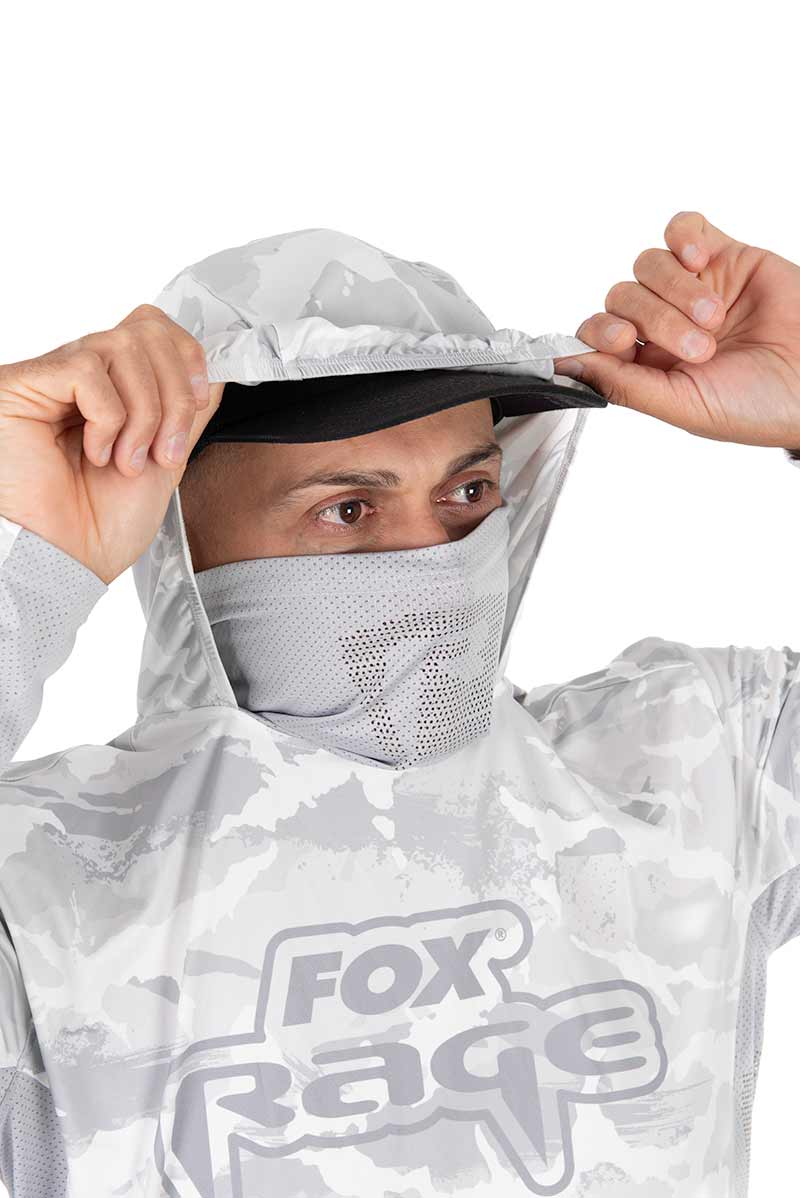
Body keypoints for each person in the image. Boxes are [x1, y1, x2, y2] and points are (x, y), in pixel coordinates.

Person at [0, 213, 797, 1198]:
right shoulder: (46, 887)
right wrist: (26, 561)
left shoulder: (686, 764)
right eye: (348, 509)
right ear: (180, 545)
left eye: (466, 492)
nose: (432, 558)